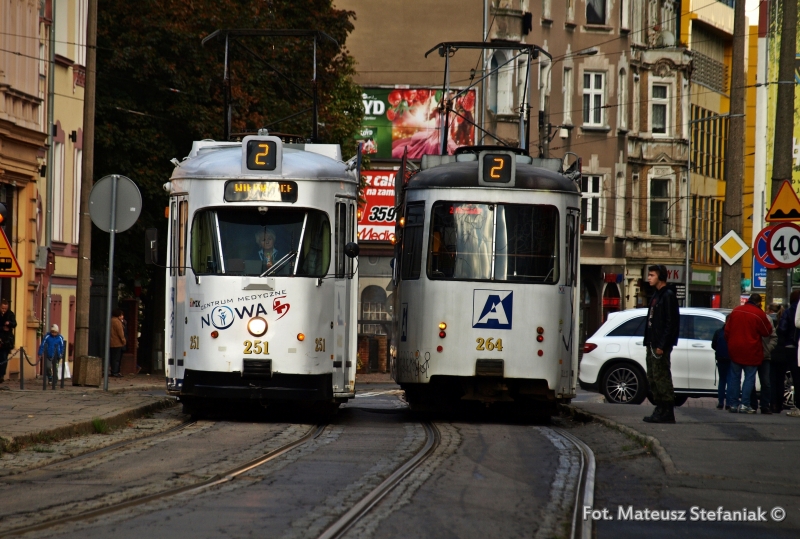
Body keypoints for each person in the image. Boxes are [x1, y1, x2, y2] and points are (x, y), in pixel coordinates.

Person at [642, 264, 680, 424]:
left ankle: (666, 410)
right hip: (652, 342)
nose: (648, 278)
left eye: (652, 275)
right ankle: (660, 408)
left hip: (660, 344)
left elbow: (671, 323)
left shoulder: (668, 295)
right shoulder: (656, 295)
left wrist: (662, 345)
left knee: (661, 376)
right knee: (652, 377)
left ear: (660, 277)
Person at [725, 293, 773, 413]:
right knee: (749, 377)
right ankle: (745, 404)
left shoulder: (736, 310)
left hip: (735, 348)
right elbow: (767, 331)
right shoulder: (758, 314)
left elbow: (727, 330)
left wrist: (731, 342)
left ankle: (733, 404)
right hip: (751, 349)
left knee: (735, 377)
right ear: (759, 303)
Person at [777, 291, 800, 411]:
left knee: (793, 375)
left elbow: (782, 328)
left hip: (790, 346)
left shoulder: (789, 311)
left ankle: (797, 404)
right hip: (798, 345)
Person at [711, 318, 731, 410]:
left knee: (722, 380)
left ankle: (720, 402)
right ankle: (729, 403)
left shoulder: (719, 332)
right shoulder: (733, 332)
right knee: (731, 381)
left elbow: (713, 345)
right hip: (731, 358)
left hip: (720, 358)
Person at [0, 299, 16, 383]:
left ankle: (1, 375)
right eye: (2, 308)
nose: (3, 310)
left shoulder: (10, 314)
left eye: (5, 309)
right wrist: (2, 327)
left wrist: (9, 323)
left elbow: (14, 324)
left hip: (6, 340)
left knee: (3, 357)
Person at [109, 308, 126, 378]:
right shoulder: (117, 322)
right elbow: (120, 333)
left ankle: (114, 371)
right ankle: (115, 372)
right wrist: (123, 340)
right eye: (121, 315)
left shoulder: (111, 320)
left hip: (112, 342)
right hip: (117, 343)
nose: (122, 316)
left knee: (113, 358)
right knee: (117, 358)